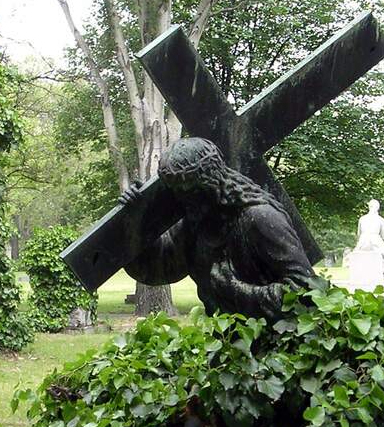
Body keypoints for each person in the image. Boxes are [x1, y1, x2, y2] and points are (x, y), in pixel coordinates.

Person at [121, 137, 316, 320]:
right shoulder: (194, 223)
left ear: (211, 182)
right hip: (226, 338)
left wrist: (238, 291)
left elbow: (307, 290)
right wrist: (137, 223)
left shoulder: (260, 218)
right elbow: (159, 269)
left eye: (190, 192)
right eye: (176, 192)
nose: (182, 201)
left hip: (277, 339)